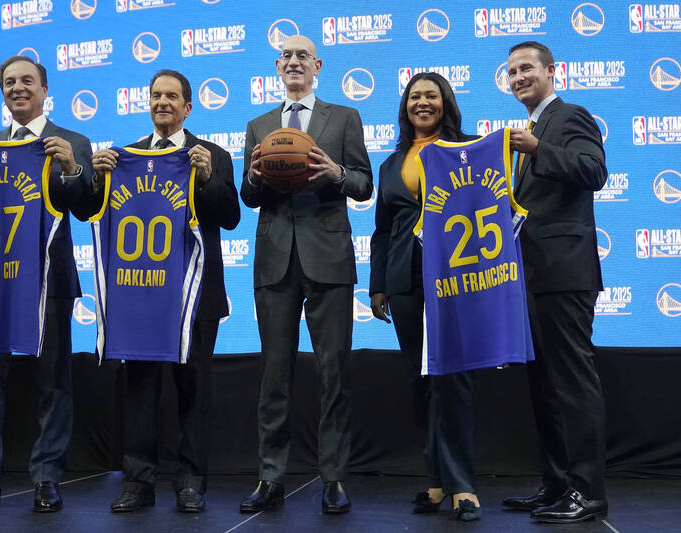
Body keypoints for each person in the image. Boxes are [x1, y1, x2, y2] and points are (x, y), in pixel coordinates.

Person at [0, 56, 96, 512]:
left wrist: (72, 169)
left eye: (27, 80)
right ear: (3, 92)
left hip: (48, 279)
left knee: (53, 381)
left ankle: (47, 478)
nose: (18, 88)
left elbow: (87, 207)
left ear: (45, 89)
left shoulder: (72, 141)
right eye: (10, 82)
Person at [92, 69, 240, 513]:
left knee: (193, 388)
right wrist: (97, 179)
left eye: (172, 96)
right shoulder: (125, 157)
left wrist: (208, 178)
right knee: (139, 390)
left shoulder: (213, 155)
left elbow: (230, 216)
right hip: (141, 294)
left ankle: (191, 482)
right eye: (156, 95)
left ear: (187, 107)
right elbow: (94, 212)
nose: (163, 102)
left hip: (196, 296)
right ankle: (138, 481)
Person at [238, 35, 373, 515]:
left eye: (303, 56)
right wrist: (255, 176)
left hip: (329, 256)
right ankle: (270, 477)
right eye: (286, 56)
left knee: (334, 372)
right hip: (274, 259)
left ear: (318, 66)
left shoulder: (344, 117)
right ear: (278, 67)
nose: (294, 61)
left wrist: (336, 172)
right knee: (274, 374)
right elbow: (248, 197)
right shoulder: (258, 126)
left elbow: (364, 184)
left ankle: (333, 477)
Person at [502, 41, 608, 523]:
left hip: (564, 272)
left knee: (572, 383)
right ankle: (556, 484)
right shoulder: (530, 128)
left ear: (551, 71)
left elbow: (594, 171)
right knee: (544, 386)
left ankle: (587, 492)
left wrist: (539, 150)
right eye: (512, 72)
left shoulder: (570, 117)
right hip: (531, 276)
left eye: (526, 68)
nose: (519, 77)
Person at [369, 72, 481, 522]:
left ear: (445, 102)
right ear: (405, 107)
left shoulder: (469, 149)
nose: (422, 102)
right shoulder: (390, 164)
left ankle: (463, 486)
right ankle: (436, 481)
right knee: (421, 382)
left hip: (456, 276)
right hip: (404, 281)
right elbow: (382, 230)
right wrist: (378, 284)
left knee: (453, 380)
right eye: (414, 97)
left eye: (431, 95)